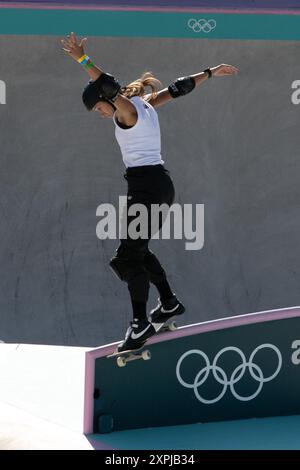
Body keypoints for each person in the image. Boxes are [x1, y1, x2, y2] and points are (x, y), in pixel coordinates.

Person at [61, 33, 238, 352]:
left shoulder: (125, 111)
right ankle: (168, 302)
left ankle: (140, 322)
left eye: (98, 109)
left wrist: (82, 59)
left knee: (127, 258)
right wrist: (210, 72)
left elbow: (108, 84)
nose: (101, 115)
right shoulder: (145, 105)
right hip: (158, 186)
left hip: (146, 188)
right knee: (138, 250)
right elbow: (177, 88)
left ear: (105, 100)